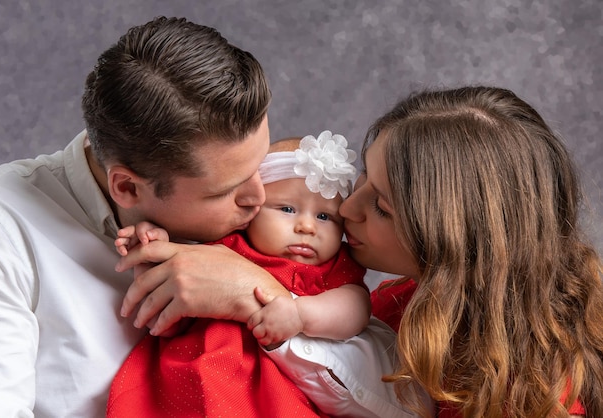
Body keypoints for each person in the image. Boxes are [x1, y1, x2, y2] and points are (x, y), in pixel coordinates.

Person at [117, 86, 603, 418]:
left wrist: (255, 294)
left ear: (453, 242)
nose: (348, 207)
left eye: (382, 207)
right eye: (364, 179)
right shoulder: (404, 301)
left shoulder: (531, 393)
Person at [0, 15, 284, 417]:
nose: (258, 197)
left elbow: (386, 384)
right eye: (225, 191)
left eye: (260, 166)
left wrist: (265, 296)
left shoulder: (277, 216)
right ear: (126, 187)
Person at [107, 133, 376, 417]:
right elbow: (170, 320)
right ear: (253, 211)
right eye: (287, 209)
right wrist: (155, 254)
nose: (307, 227)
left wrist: (301, 314)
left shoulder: (331, 269)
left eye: (325, 217)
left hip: (270, 394)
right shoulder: (224, 248)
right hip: (186, 378)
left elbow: (356, 309)